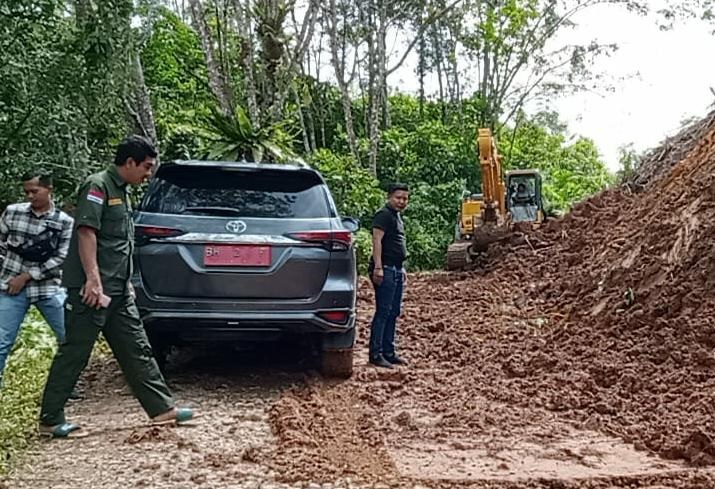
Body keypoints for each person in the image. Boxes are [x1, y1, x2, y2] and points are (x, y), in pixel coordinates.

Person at [38, 135, 194, 438]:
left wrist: (126, 282)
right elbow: (86, 234)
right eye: (146, 167)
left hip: (119, 290)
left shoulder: (123, 191)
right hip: (93, 291)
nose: (148, 174)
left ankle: (161, 409)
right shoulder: (98, 186)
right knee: (75, 353)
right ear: (130, 162)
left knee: (137, 349)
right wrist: (93, 281)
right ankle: (51, 419)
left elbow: (121, 243)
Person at [0, 173, 74, 387]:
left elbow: (62, 257)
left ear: (49, 189)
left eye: (35, 191)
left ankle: (65, 385)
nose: (30, 196)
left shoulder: (64, 222)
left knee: (68, 337)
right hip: (10, 286)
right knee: (3, 340)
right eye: (27, 192)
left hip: (48, 287)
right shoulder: (13, 213)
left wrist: (27, 276)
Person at [368, 183, 409, 369]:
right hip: (385, 268)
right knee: (383, 311)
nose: (401, 201)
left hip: (396, 269)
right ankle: (376, 354)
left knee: (393, 312)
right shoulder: (383, 215)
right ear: (389, 197)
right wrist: (378, 267)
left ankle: (389, 352)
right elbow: (377, 241)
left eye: (405, 198)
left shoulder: (396, 217)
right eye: (398, 197)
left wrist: (402, 269)